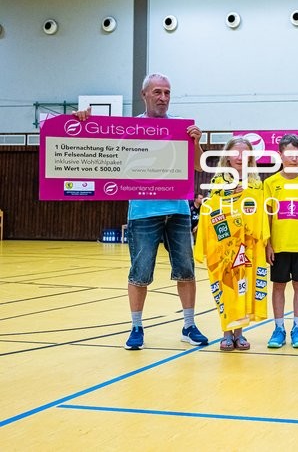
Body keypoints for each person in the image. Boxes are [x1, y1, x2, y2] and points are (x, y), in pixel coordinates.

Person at [74, 73, 209, 350]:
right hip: (143, 212)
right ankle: (136, 327)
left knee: (186, 270)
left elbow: (198, 166)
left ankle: (189, 325)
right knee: (140, 271)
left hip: (178, 210)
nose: (163, 97)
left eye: (167, 92)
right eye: (157, 92)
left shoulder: (182, 128)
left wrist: (196, 142)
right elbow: (97, 146)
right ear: (144, 94)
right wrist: (82, 122)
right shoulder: (128, 127)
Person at [194, 136, 269, 351]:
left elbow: (261, 213)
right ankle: (226, 333)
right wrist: (230, 195)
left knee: (244, 287)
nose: (240, 157)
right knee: (227, 287)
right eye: (236, 153)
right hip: (225, 246)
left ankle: (240, 333)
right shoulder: (218, 182)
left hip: (249, 246)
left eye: (245, 153)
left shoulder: (256, 183)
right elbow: (212, 210)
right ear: (227, 157)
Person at [265, 134, 298, 349]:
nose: (294, 158)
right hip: (279, 245)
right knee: (278, 287)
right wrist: (268, 244)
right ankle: (278, 328)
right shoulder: (270, 183)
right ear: (280, 155)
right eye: (289, 153)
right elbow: (268, 216)